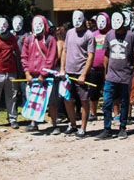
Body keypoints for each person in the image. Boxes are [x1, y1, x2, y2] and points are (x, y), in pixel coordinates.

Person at [97, 11, 134, 140]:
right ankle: (107, 128)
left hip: (126, 76)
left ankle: (122, 127)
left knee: (125, 103)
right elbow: (106, 54)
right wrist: (106, 72)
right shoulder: (109, 35)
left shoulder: (131, 36)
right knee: (107, 102)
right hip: (111, 76)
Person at [60, 10, 95, 138]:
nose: (77, 21)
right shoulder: (69, 33)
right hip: (69, 73)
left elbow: (90, 56)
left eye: (79, 18)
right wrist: (62, 69)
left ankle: (83, 128)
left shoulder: (89, 35)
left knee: (84, 100)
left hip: (81, 73)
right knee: (67, 99)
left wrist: (84, 74)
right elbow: (64, 51)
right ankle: (73, 124)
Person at [20, 15, 58, 132]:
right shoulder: (28, 39)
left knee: (51, 101)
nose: (37, 27)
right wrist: (27, 73)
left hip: (47, 77)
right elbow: (24, 57)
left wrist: (43, 74)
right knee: (32, 99)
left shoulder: (50, 40)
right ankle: (33, 122)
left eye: (40, 24)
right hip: (32, 77)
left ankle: (54, 124)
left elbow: (51, 58)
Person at [88, 12, 111, 121]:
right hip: (94, 68)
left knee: (111, 92)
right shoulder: (93, 35)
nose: (101, 24)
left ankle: (115, 112)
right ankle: (93, 112)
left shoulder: (111, 34)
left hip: (109, 69)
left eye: (103, 21)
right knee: (93, 91)